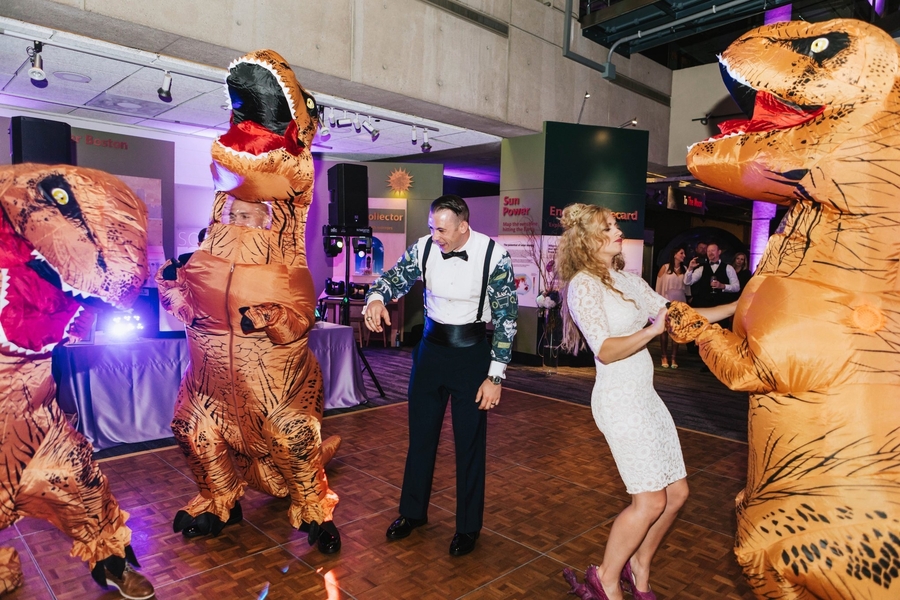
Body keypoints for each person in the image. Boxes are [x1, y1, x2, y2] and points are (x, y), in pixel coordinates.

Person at [555, 204, 735, 600]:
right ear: (588, 240)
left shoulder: (628, 280)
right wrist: (653, 332)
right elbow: (605, 349)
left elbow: (681, 316)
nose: (618, 230)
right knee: (651, 501)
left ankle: (640, 565)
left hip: (646, 398)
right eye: (609, 227)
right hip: (619, 401)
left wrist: (740, 305)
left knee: (677, 495)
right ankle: (605, 577)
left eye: (615, 225)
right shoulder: (584, 285)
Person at [362, 194, 518, 557]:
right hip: (430, 353)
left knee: (469, 444)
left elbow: (507, 318)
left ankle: (468, 527)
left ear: (463, 226)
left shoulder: (494, 255)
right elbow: (393, 280)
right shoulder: (424, 248)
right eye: (432, 227)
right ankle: (412, 513)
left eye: (442, 230)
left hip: (471, 356)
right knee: (421, 437)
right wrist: (376, 299)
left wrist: (495, 377)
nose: (436, 236)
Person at [654, 246, 687, 369]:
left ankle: (673, 357)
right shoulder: (665, 267)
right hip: (666, 301)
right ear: (675, 254)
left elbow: (687, 286)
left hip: (680, 301)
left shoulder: (685, 269)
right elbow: (658, 285)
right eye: (681, 253)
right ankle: (664, 356)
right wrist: (658, 302)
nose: (684, 255)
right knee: (665, 330)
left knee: (676, 330)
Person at [683, 242, 738, 308]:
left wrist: (723, 286)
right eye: (708, 251)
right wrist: (690, 268)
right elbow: (687, 282)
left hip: (722, 305)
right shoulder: (702, 268)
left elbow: (736, 287)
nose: (710, 253)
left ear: (719, 252)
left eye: (713, 250)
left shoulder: (728, 268)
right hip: (704, 305)